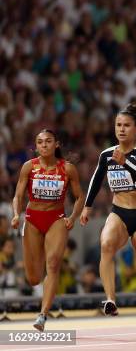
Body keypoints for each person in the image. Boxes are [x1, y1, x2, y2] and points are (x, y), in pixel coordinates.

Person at [80, 104, 136, 316]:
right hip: (119, 212)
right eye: (118, 125)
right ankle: (110, 299)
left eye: (127, 125)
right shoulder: (107, 154)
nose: (122, 129)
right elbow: (95, 180)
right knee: (106, 245)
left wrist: (126, 163)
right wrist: (87, 207)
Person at [11, 129, 84, 331]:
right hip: (33, 219)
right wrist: (16, 214)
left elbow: (79, 197)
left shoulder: (68, 169)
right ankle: (40, 257)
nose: (44, 145)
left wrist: (73, 217)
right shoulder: (29, 167)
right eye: (40, 142)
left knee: (53, 265)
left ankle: (42, 315)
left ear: (56, 144)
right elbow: (17, 195)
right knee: (33, 278)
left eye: (48, 141)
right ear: (36, 147)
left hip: (56, 219)